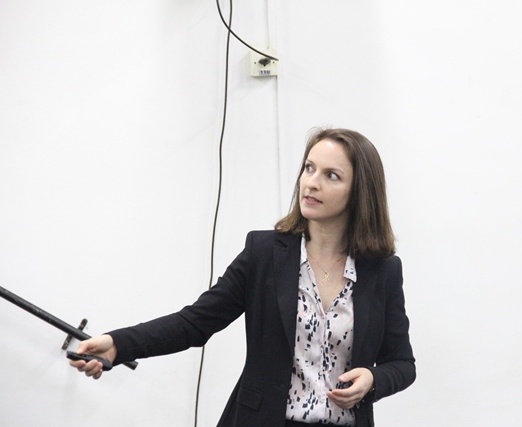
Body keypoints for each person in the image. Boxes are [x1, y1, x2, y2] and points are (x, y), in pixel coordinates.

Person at [70, 128, 416, 427]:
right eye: (309, 168)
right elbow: (193, 323)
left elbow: (402, 364)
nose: (311, 182)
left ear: (359, 192)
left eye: (331, 175)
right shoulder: (264, 253)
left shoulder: (382, 270)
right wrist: (118, 344)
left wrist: (373, 379)